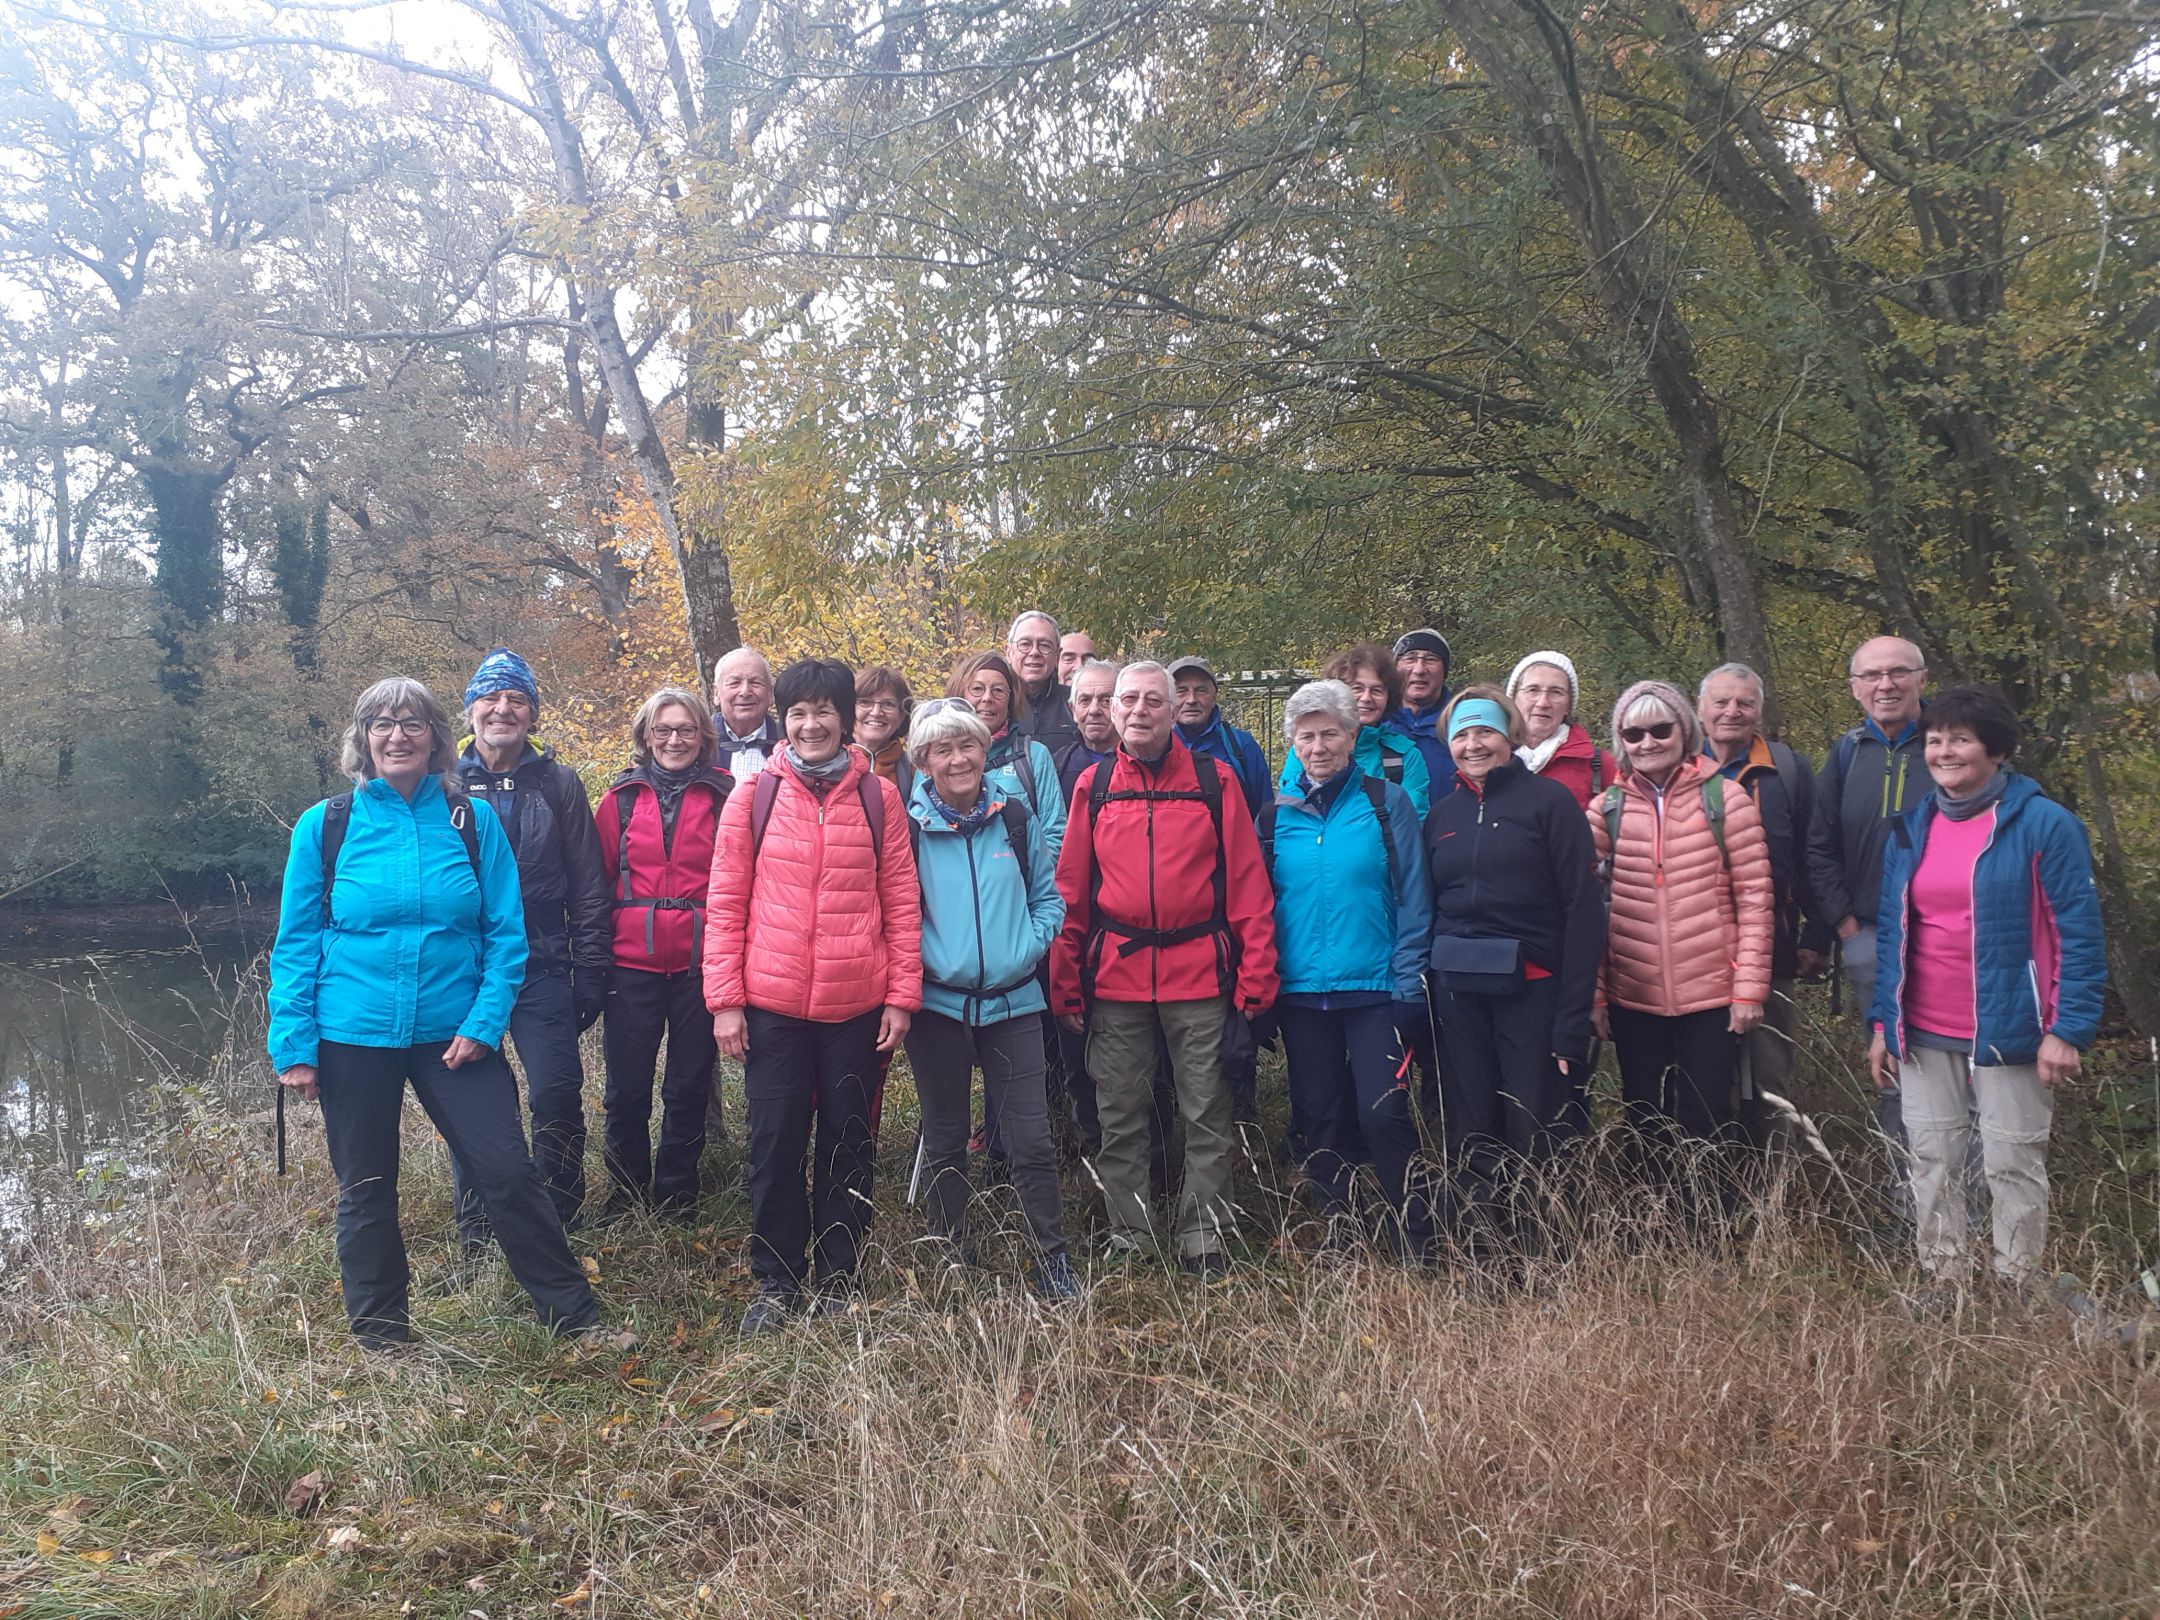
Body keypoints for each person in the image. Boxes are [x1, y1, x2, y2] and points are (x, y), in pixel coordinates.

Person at [268, 677, 604, 1350]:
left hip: (456, 1036)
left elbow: (506, 935)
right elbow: (296, 942)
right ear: (363, 739)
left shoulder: (470, 822)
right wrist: (294, 1043)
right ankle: (384, 1336)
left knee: (508, 1171)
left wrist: (483, 1024)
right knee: (366, 1188)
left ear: (436, 738)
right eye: (382, 723)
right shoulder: (326, 825)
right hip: (350, 1034)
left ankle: (575, 1318)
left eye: (413, 723)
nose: (398, 735)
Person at [704, 658, 922, 1334]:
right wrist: (725, 1000)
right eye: (798, 712)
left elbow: (902, 899)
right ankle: (776, 1279)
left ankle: (839, 1275)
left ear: (845, 719)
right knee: (773, 1145)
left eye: (823, 710)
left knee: (848, 1142)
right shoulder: (753, 796)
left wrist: (901, 996)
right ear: (785, 719)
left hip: (856, 1005)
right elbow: (726, 900)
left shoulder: (878, 798)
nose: (810, 723)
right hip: (771, 1008)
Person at [1867, 686, 2105, 1286]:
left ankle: (2017, 1286)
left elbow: (2078, 932)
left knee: (2011, 1162)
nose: (1944, 751)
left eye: (1961, 739)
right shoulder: (1913, 826)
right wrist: (1881, 1024)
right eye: (1936, 739)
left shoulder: (2045, 824)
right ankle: (1945, 1282)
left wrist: (2068, 1030)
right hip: (1923, 1027)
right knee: (1932, 1160)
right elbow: (1895, 931)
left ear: (1995, 750)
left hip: (2012, 1028)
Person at [1051, 661, 1280, 1277]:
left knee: (1205, 1109)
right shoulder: (1094, 786)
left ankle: (1204, 1234)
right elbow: (1072, 890)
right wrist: (1065, 979)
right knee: (1120, 1110)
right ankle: (1132, 1234)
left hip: (1200, 974)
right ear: (1114, 711)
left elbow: (1248, 887)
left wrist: (1257, 975)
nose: (1139, 710)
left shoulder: (1216, 780)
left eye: (1154, 699)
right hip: (1118, 977)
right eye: (1129, 700)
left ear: (1174, 708)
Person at [901, 697, 1077, 1299]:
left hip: (1016, 1003)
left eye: (968, 746)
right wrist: (929, 961)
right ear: (924, 761)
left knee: (1030, 1141)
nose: (958, 759)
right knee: (946, 1136)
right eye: (943, 750)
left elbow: (1050, 899)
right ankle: (953, 1253)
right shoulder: (908, 828)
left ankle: (1051, 1260)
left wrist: (1026, 946)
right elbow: (898, 913)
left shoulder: (1018, 819)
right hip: (940, 1010)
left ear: (985, 750)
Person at [1587, 680, 1774, 1229]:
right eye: (1634, 732)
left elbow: (1757, 898)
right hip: (1633, 992)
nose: (1648, 742)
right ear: (1621, 741)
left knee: (1707, 1114)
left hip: (1712, 992)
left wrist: (1749, 990)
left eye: (1660, 729)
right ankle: (1654, 1228)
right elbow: (1584, 907)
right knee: (1643, 1113)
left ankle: (1709, 1229)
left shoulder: (1727, 798)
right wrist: (1596, 994)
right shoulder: (1608, 809)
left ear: (1684, 732)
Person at [1424, 685, 1603, 1260]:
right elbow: (1429, 907)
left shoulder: (1550, 805)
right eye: (1462, 734)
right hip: (1459, 994)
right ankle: (1483, 1255)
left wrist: (1572, 1017)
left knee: (1537, 1124)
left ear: (1512, 736)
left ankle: (1544, 1254)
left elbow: (1582, 911)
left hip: (1534, 991)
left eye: (1485, 732)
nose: (1474, 744)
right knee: (1473, 1120)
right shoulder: (1442, 816)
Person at [448, 648, 612, 1247]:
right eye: (490, 698)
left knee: (556, 1091)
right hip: (464, 967)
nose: (503, 709)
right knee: (473, 1099)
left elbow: (589, 883)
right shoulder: (444, 784)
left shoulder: (558, 781)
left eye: (517, 699)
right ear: (469, 712)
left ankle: (560, 1213)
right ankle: (478, 1223)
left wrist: (591, 968)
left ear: (533, 715)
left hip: (544, 959)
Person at [1262, 679, 1432, 1257]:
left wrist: (1410, 982)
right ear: (1293, 744)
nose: (1318, 747)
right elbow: (1262, 905)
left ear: (1351, 735)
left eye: (1329, 733)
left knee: (1382, 1113)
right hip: (1302, 993)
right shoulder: (1275, 816)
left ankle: (1415, 1233)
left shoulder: (1388, 803)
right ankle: (1344, 1232)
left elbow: (1415, 898)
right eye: (1306, 737)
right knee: (1321, 1116)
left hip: (1377, 989)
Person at [594, 687, 735, 1220]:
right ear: (646, 736)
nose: (674, 740)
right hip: (631, 963)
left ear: (703, 737)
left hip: (703, 963)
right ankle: (625, 1193)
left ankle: (678, 1192)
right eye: (663, 730)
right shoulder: (620, 799)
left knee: (688, 1084)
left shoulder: (727, 796)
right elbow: (599, 879)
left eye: (685, 730)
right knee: (626, 1087)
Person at [1809, 634, 1933, 1200]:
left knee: (1962, 1072)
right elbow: (1819, 844)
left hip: (1945, 938)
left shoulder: (1950, 741)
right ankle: (1911, 1207)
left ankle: (1970, 1210)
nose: (1886, 685)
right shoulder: (1847, 752)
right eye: (1872, 676)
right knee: (1893, 1074)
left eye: (1898, 672)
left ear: (1921, 678)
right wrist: (1846, 929)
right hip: (1871, 940)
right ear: (1856, 688)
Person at [1697, 663, 1830, 1151]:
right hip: (1695, 953)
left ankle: (1769, 1195)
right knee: (1702, 1076)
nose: (1732, 712)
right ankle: (1710, 1189)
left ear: (1759, 711)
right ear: (1700, 709)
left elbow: (1811, 853)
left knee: (1770, 1077)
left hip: (1771, 947)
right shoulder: (1678, 766)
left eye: (1745, 703)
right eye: (1721, 701)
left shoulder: (1787, 770)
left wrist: (1818, 934)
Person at [1275, 643, 1431, 817]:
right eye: (1357, 688)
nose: (1366, 698)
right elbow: (1290, 812)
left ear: (1389, 696)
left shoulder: (1404, 756)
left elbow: (1411, 823)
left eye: (1377, 690)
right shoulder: (1309, 750)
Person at [1505, 652, 1611, 809]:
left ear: (1568, 706)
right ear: (1513, 698)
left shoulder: (1599, 765)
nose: (1543, 703)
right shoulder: (1490, 759)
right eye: (1533, 690)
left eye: (1556, 692)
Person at [1169, 657, 1270, 814]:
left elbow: (1263, 814)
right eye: (1181, 691)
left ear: (1214, 697)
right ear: (1168, 698)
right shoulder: (1156, 747)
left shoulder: (1241, 746)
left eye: (1201, 690)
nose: (1191, 700)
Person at [1388, 629, 1458, 798]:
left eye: (1430, 659)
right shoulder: (1375, 723)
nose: (1419, 669)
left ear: (1444, 671)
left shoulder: (1461, 723)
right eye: (1410, 658)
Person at [1005, 610, 1080, 756]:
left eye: (1044, 645)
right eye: (1025, 644)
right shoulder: (993, 703)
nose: (1034, 652)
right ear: (1009, 652)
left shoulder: (1075, 702)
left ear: (1057, 656)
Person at [1055, 658, 1120, 809]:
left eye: (1105, 701)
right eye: (1085, 700)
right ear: (1073, 710)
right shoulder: (1057, 766)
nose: (1094, 710)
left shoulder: (1142, 764)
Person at [711, 646, 782, 779]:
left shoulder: (790, 746)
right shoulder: (698, 744)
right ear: (716, 693)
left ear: (770, 693)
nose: (744, 692)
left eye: (755, 682)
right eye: (734, 683)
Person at [855, 664, 916, 796]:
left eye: (888, 704)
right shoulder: (827, 766)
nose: (876, 712)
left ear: (902, 715)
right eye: (865, 702)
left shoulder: (915, 772)